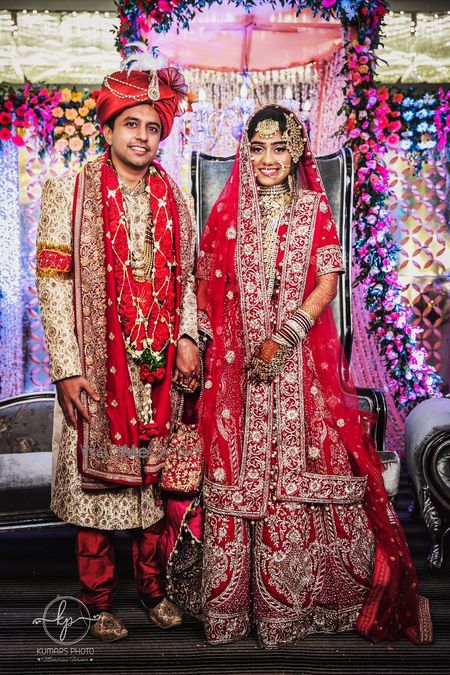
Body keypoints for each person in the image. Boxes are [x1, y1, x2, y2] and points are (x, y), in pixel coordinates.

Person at [196, 104, 432, 649]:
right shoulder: (228, 213)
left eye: (280, 148)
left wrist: (285, 335)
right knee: (233, 470)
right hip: (234, 366)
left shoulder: (310, 208)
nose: (268, 159)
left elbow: (327, 282)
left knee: (302, 466)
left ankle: (302, 601)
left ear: (297, 152)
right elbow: (206, 283)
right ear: (246, 153)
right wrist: (209, 344)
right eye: (258, 149)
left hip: (299, 366)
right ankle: (231, 607)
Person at [36, 62, 200, 641]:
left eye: (153, 128)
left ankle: (154, 591)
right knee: (97, 494)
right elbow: (53, 283)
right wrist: (67, 368)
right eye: (131, 124)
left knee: (154, 486)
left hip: (156, 363)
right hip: (96, 365)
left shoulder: (176, 198)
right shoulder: (69, 191)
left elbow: (189, 279)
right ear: (106, 129)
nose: (142, 137)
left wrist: (187, 335)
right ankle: (98, 601)